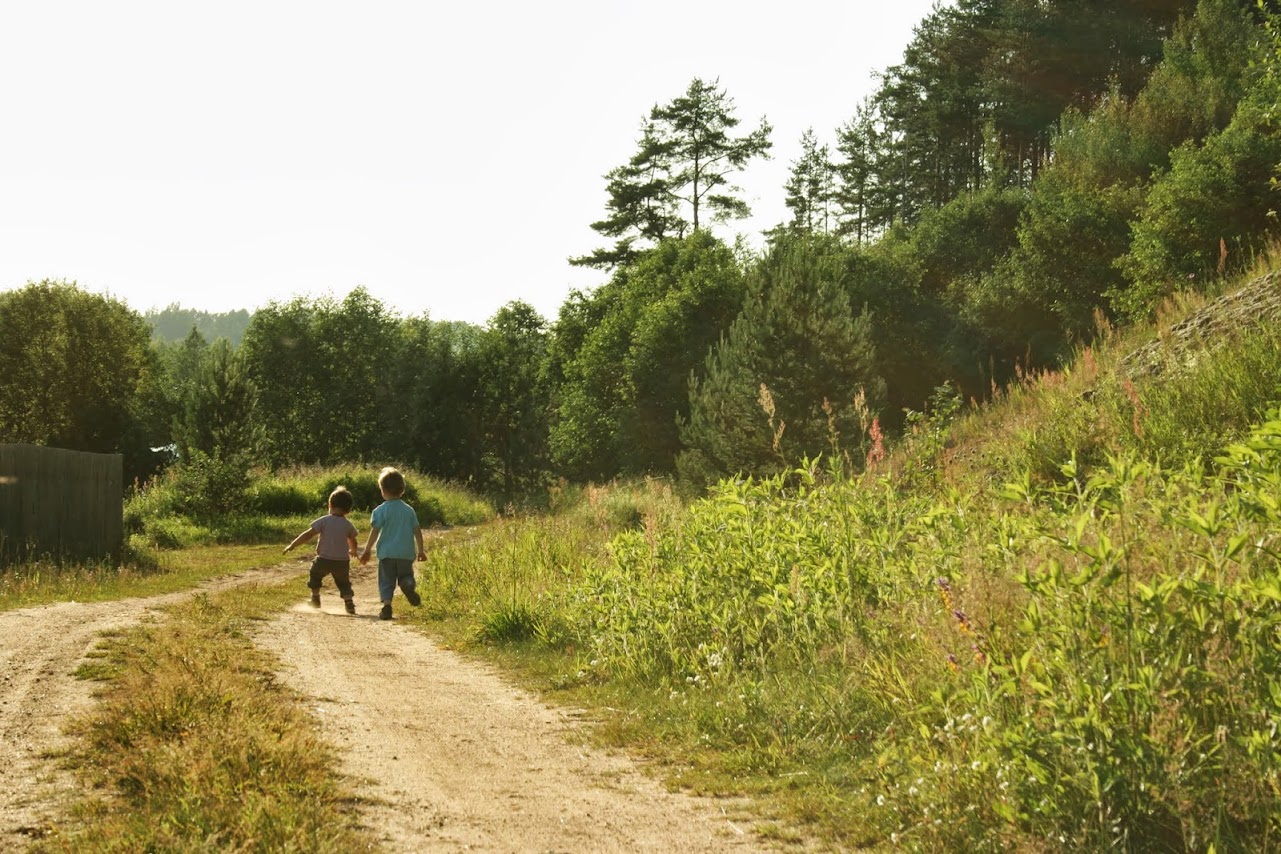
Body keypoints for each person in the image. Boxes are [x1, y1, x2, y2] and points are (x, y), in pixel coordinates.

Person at [359, 466, 426, 621]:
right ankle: (407, 584)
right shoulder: (409, 510)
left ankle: (387, 606)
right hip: (405, 553)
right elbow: (417, 530)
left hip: (387, 553)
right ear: (402, 489)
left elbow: (375, 531)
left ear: (382, 490)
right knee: (406, 575)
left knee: (386, 581)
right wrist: (421, 550)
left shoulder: (380, 511)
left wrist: (368, 549)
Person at [284, 485, 359, 615]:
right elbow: (353, 540)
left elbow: (308, 534)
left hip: (324, 559)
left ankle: (315, 598)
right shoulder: (348, 524)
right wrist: (353, 550)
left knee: (315, 574)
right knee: (344, 582)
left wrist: (293, 544)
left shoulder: (324, 521)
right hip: (342, 562)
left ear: (329, 504)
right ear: (348, 510)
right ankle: (349, 604)